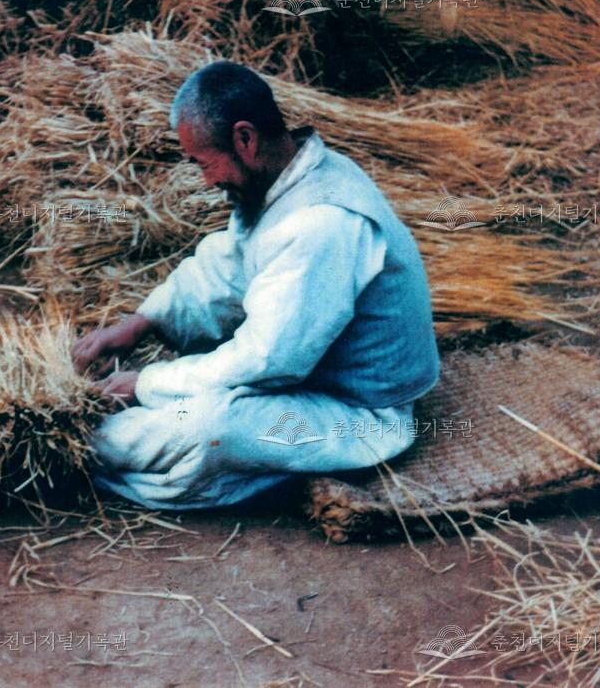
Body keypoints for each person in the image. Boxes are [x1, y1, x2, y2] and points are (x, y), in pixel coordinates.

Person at [71, 61, 439, 510]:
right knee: (190, 396)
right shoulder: (290, 178)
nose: (206, 180)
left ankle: (73, 450)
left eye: (204, 164)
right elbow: (228, 265)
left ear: (245, 138)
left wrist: (146, 382)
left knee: (207, 425)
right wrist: (141, 323)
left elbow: (268, 359)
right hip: (307, 382)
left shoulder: (321, 222)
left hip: (359, 416)